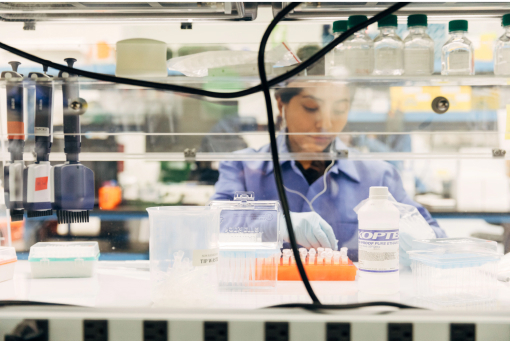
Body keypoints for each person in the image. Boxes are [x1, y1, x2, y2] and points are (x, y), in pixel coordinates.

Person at [210, 81, 446, 261]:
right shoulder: (243, 167)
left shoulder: (377, 175)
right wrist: (277, 224)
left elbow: (434, 236)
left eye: (339, 110)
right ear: (281, 104)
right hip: (263, 297)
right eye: (311, 108)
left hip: (352, 305)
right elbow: (215, 224)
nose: (325, 123)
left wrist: (418, 243)